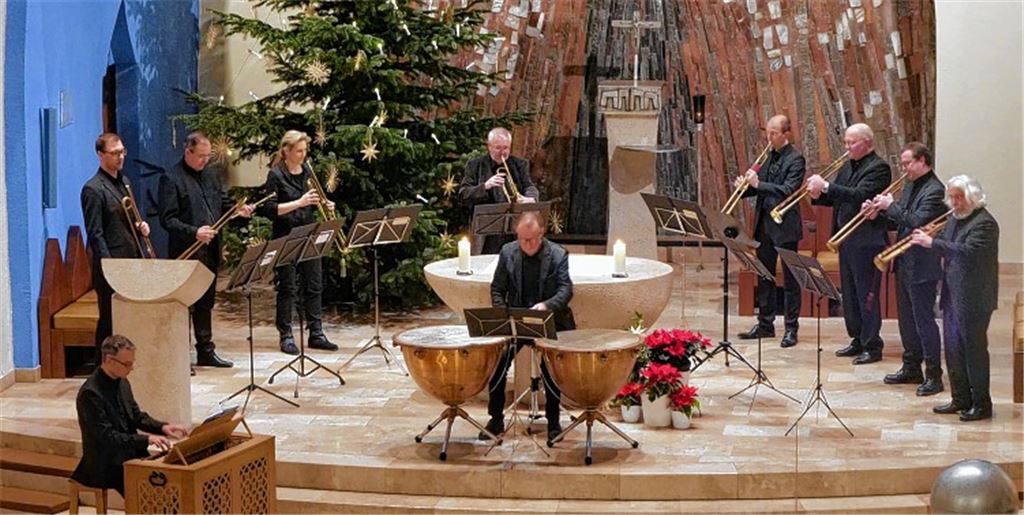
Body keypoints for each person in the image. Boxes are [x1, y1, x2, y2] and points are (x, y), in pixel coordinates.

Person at [159, 131, 254, 368]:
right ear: (187, 151)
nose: (204, 161)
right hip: (187, 252)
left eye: (207, 156)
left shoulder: (210, 175)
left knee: (206, 303)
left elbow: (219, 202)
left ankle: (205, 351)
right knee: (185, 305)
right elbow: (167, 219)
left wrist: (236, 210)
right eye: (200, 156)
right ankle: (181, 356)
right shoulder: (171, 178)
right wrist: (194, 231)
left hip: (210, 250)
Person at [910, 175, 999, 421]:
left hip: (974, 297)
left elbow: (967, 252)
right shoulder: (955, 219)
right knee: (952, 349)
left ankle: (981, 404)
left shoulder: (984, 224)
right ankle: (960, 398)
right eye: (952, 197)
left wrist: (932, 243)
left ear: (972, 197)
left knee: (973, 351)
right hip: (953, 294)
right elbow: (947, 242)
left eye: (959, 197)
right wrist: (932, 237)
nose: (955, 202)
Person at [481, 211, 575, 442]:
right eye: (523, 239)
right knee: (498, 363)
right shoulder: (508, 252)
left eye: (532, 239)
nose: (528, 244)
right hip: (518, 321)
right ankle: (496, 419)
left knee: (551, 369)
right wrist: (504, 314)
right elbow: (497, 288)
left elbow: (566, 290)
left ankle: (554, 422)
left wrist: (546, 305)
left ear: (542, 232)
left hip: (549, 320)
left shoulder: (557, 254)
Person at [807, 123, 891, 365]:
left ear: (867, 142)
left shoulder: (879, 168)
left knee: (866, 294)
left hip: (867, 240)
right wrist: (819, 196)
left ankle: (872, 345)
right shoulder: (847, 166)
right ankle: (857, 338)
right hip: (846, 238)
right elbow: (838, 196)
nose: (847, 147)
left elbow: (859, 194)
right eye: (845, 142)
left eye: (851, 143)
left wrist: (826, 186)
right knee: (850, 293)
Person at [866, 142, 945, 395]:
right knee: (906, 322)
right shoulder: (911, 184)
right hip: (904, 262)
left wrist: (891, 206)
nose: (904, 169)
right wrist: (877, 213)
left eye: (908, 163)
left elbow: (915, 222)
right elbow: (901, 218)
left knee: (924, 322)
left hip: (923, 265)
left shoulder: (935, 190)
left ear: (923, 161)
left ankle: (934, 375)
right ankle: (911, 367)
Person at [71, 335, 188, 496]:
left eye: (132, 363)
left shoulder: (122, 382)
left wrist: (163, 427)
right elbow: (107, 437)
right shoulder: (90, 394)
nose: (131, 368)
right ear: (109, 360)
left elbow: (136, 416)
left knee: (169, 481)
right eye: (127, 364)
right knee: (150, 491)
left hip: (128, 454)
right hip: (105, 462)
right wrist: (146, 439)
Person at [257, 130, 338, 355]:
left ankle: (316, 332)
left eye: (305, 150)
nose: (303, 155)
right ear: (287, 151)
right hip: (285, 235)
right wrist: (299, 202)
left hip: (309, 232)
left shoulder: (308, 171)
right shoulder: (276, 175)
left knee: (314, 284)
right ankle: (286, 335)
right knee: (288, 287)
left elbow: (315, 201)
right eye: (299, 151)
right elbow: (269, 209)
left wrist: (325, 204)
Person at [735, 115, 805, 348]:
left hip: (785, 226)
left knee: (791, 278)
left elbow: (787, 190)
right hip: (764, 224)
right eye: (768, 132)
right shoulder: (766, 157)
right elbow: (760, 190)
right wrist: (744, 189)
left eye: (774, 133)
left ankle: (791, 328)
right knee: (764, 275)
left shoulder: (796, 159)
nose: (769, 137)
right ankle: (765, 325)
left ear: (786, 134)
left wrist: (758, 184)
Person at [80, 133, 150, 359]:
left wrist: (140, 225)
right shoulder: (93, 189)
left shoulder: (125, 182)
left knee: (130, 316)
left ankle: (127, 362)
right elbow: (95, 233)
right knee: (110, 320)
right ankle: (103, 366)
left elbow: (128, 219)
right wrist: (110, 267)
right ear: (101, 155)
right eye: (115, 153)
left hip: (132, 260)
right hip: (111, 266)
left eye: (122, 152)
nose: (120, 157)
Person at [458, 127, 540, 254]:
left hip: (514, 228)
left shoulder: (520, 164)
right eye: (498, 148)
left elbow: (530, 186)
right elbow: (463, 194)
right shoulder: (475, 165)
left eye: (506, 148)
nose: (502, 152)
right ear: (489, 146)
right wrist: (485, 186)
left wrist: (531, 198)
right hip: (485, 232)